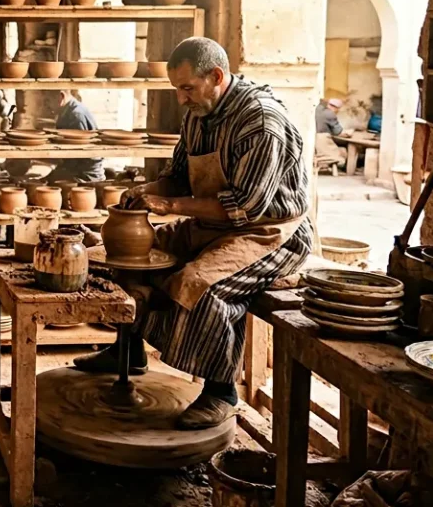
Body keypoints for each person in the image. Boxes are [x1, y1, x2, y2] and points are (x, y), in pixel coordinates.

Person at [74, 37, 312, 429]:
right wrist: (145, 192)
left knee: (201, 284)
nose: (181, 99)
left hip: (267, 232)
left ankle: (221, 392)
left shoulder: (261, 122)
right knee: (128, 256)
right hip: (212, 224)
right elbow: (178, 178)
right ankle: (127, 350)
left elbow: (246, 207)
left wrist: (169, 207)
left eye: (187, 88)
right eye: (177, 89)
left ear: (216, 76)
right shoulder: (198, 114)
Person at [45, 89, 106, 182]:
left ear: (62, 96)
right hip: (74, 168)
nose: (46, 105)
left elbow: (78, 155)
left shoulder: (76, 115)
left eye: (47, 100)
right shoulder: (67, 109)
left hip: (85, 175)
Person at [314, 98, 347, 168]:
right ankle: (319, 160)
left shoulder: (317, 110)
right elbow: (338, 131)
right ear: (336, 108)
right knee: (341, 155)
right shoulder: (330, 114)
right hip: (323, 140)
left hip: (314, 139)